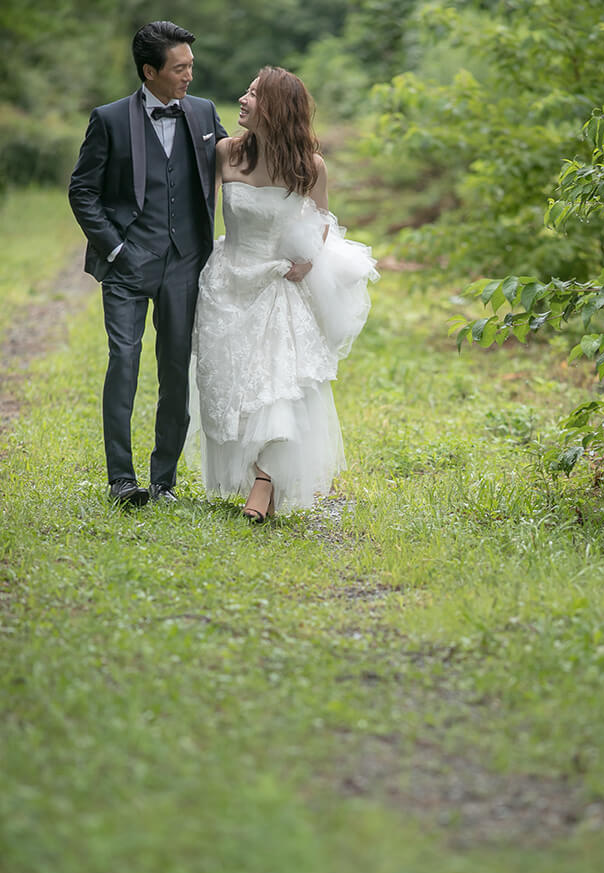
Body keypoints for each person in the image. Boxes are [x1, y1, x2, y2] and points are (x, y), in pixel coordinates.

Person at [187, 66, 378, 521]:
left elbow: (323, 225)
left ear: (275, 108)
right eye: (246, 90)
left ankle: (265, 481)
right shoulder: (226, 152)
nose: (243, 99)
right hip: (226, 284)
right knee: (228, 385)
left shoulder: (310, 167)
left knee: (277, 386)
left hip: (278, 287)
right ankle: (259, 478)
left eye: (253, 94)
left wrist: (309, 259)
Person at [69, 21, 227, 506]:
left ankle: (164, 482)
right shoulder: (110, 119)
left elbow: (241, 161)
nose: (189, 77)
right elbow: (83, 190)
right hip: (127, 265)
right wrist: (115, 248)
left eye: (191, 67)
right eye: (180, 69)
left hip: (185, 264)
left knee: (176, 369)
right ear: (149, 70)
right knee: (124, 360)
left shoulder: (203, 113)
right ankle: (122, 480)